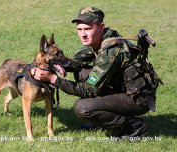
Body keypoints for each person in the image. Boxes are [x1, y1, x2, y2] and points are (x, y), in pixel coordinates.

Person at [34, 7, 160, 141]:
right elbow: (75, 63)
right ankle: (103, 121)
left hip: (138, 98)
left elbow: (90, 89)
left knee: (82, 107)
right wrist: (50, 63)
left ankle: (135, 126)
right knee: (81, 72)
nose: (83, 34)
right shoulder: (98, 39)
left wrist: (54, 79)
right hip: (123, 88)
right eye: (79, 29)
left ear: (101, 27)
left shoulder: (110, 51)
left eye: (87, 29)